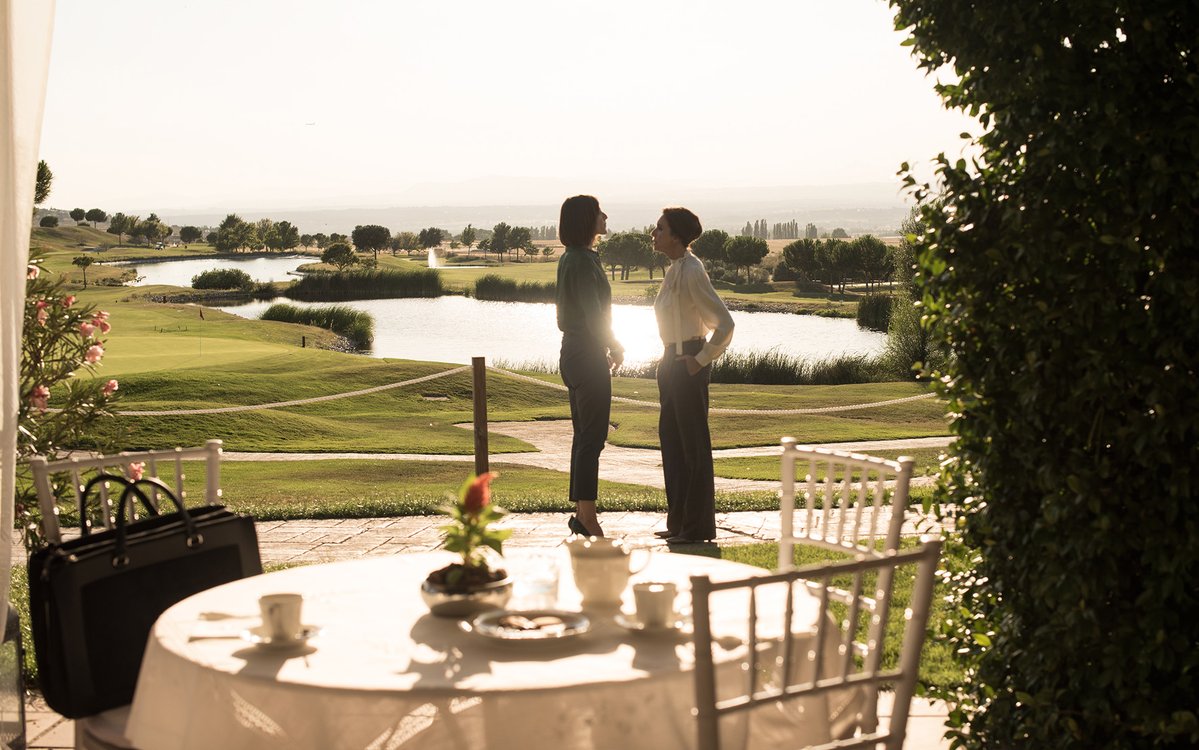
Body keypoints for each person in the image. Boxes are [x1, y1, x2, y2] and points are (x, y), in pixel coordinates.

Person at [651, 207, 734, 543]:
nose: (653, 234)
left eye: (659, 228)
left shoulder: (693, 270)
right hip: (670, 362)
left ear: (676, 236)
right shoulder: (673, 270)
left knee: (692, 448)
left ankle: (697, 527)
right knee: (672, 444)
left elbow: (725, 324)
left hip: (688, 363)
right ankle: (679, 522)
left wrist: (700, 360)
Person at [555, 195, 623, 537]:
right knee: (592, 439)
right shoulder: (582, 262)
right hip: (586, 353)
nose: (605, 216)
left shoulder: (571, 258)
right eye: (599, 212)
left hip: (574, 351)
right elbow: (594, 313)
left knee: (584, 436)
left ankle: (582, 512)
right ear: (587, 220)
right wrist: (615, 345)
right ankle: (587, 517)